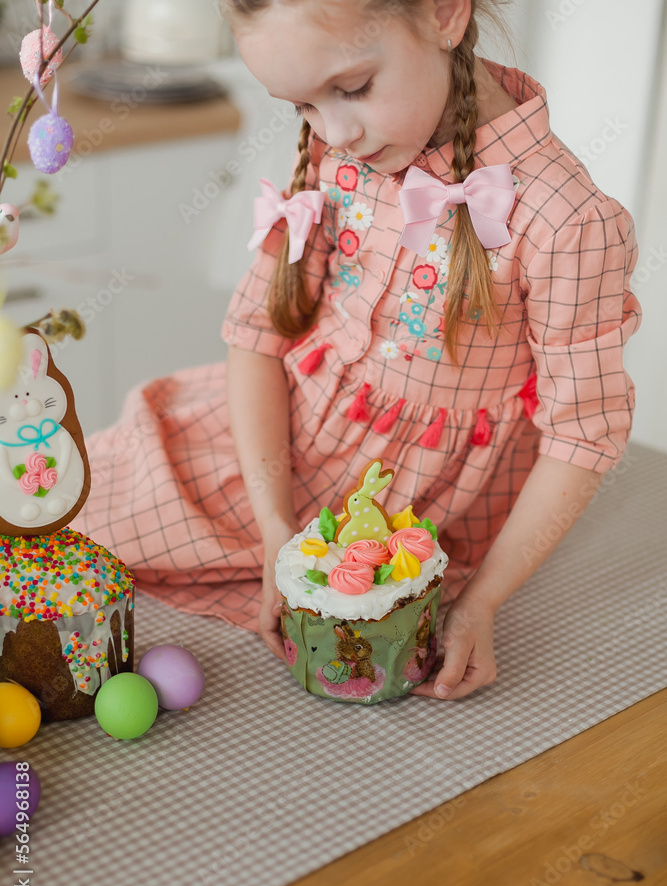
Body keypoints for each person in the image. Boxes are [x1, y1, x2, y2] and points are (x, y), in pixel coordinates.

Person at [70, 0, 642, 701]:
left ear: (442, 14)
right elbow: (256, 333)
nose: (334, 131)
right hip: (269, 455)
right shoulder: (336, 149)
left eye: (351, 88)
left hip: (413, 515)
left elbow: (582, 435)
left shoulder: (569, 222)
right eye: (303, 106)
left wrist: (483, 603)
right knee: (56, 507)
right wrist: (276, 523)